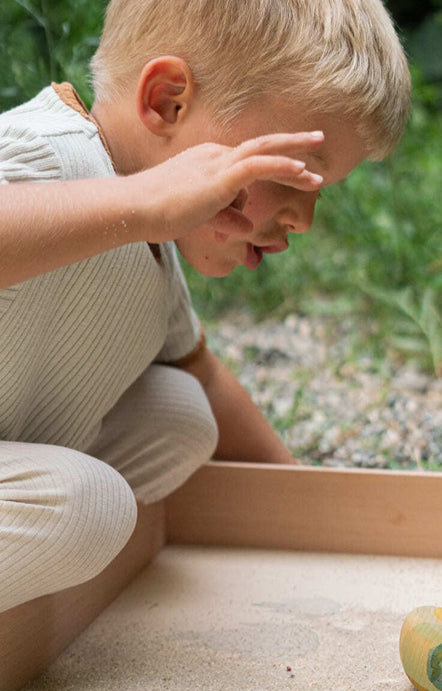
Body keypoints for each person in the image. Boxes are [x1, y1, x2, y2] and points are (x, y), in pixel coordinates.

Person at [0, 0, 411, 613]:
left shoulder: (150, 249)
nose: (303, 218)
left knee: (183, 416)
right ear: (168, 102)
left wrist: (310, 510)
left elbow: (204, 375)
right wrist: (142, 201)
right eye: (292, 176)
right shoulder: (52, 154)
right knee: (87, 506)